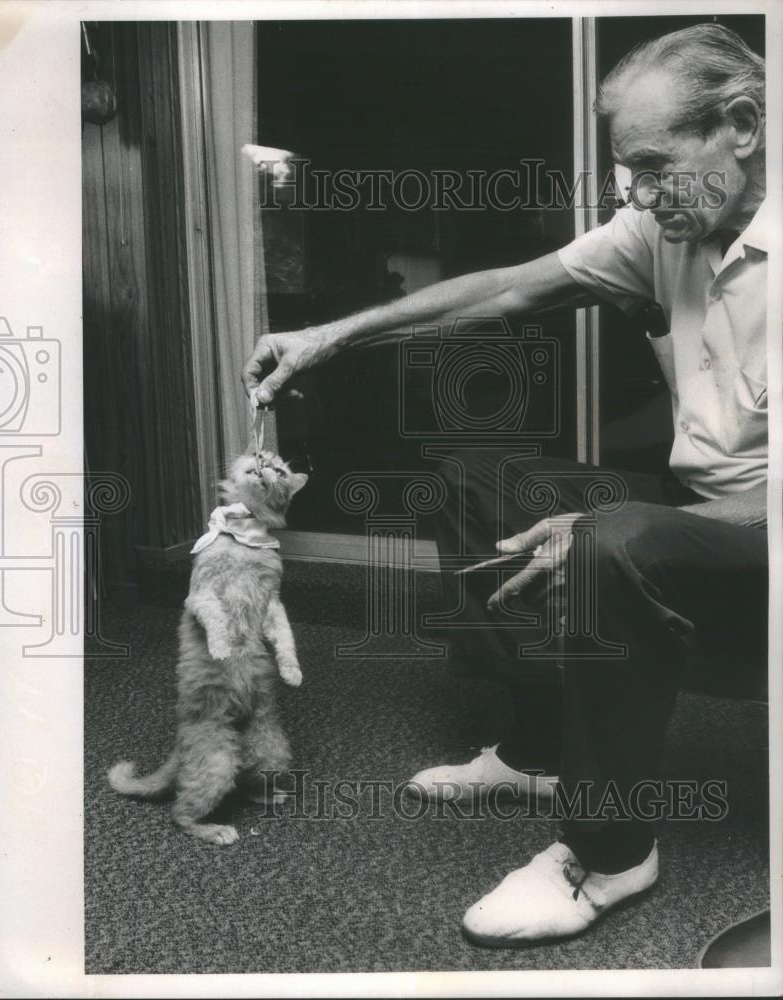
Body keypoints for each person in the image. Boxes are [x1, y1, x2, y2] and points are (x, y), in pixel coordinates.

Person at [243, 24, 769, 945]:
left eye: (653, 165)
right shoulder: (665, 230)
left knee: (613, 535)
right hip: (706, 514)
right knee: (478, 480)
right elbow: (505, 288)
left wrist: (621, 526)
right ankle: (540, 748)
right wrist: (331, 336)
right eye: (625, 171)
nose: (636, 195)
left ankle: (608, 855)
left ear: (743, 123)